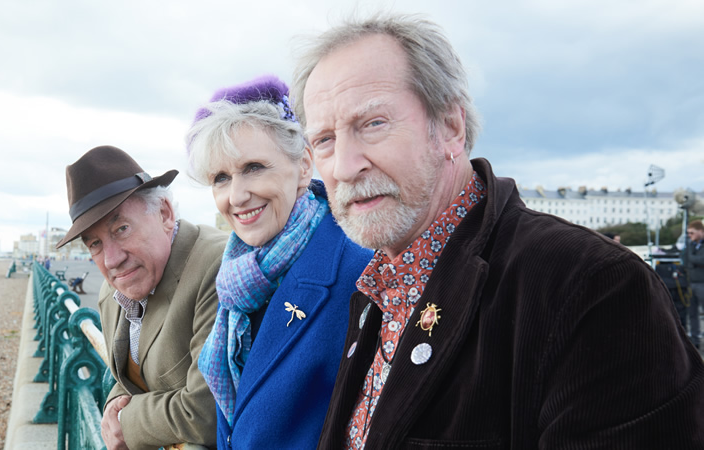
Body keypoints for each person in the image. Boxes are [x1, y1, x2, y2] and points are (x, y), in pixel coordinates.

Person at [291, 13, 704, 448]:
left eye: (372, 124)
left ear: (451, 127)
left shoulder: (592, 285)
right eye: (324, 140)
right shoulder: (376, 288)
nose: (344, 166)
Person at [185, 75, 373, 449]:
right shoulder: (237, 277)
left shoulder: (360, 273)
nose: (236, 196)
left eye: (254, 167)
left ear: (304, 165)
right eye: (221, 178)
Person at [55, 146, 227, 450]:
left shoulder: (217, 267)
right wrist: (113, 405)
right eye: (94, 244)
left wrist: (126, 423)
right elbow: (125, 376)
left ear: (164, 213)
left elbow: (209, 413)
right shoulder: (113, 291)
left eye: (121, 228)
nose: (111, 260)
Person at [687, 219, 704, 348]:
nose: (690, 235)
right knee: (692, 313)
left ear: (701, 231)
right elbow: (685, 259)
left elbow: (701, 260)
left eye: (692, 233)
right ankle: (695, 340)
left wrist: (692, 259)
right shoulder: (691, 245)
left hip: (702, 283)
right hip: (691, 282)